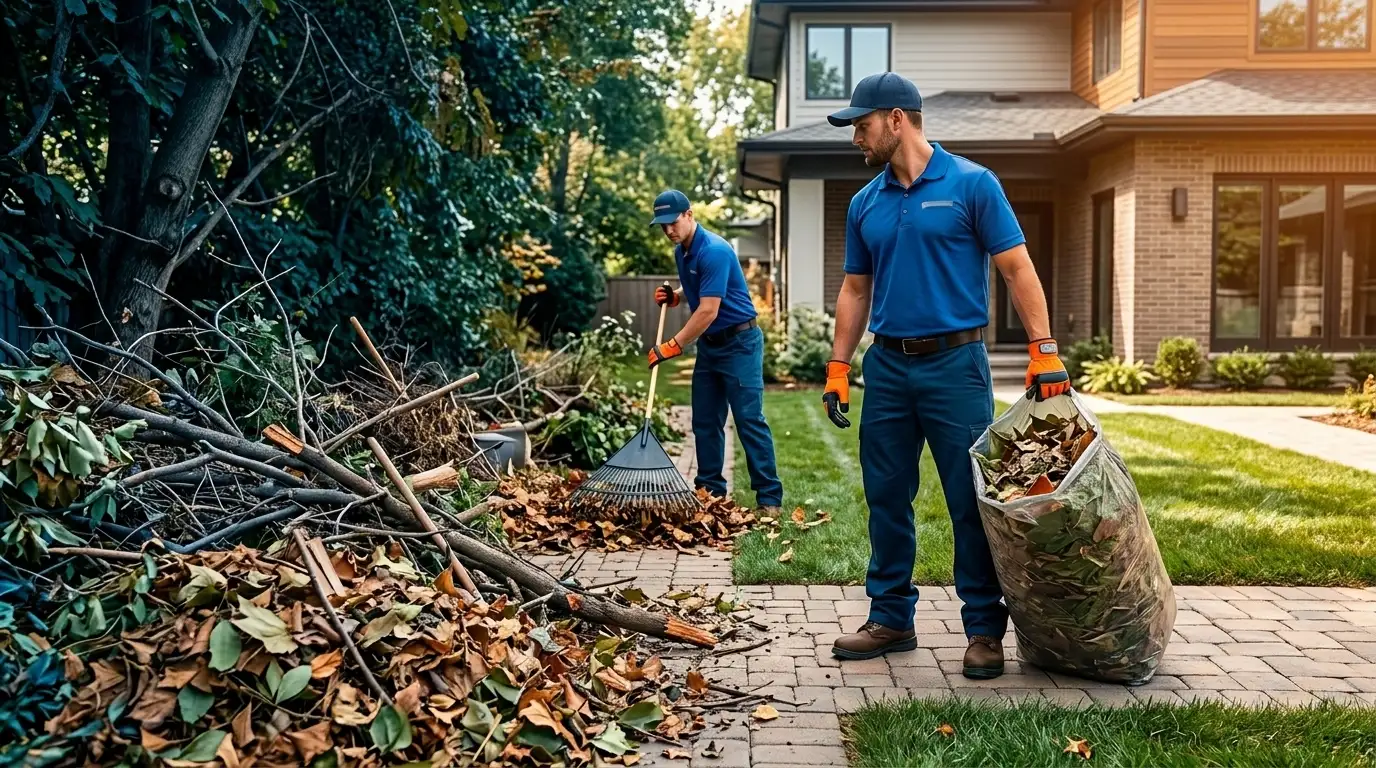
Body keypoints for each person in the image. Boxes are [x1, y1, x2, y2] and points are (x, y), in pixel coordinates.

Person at [820, 73, 1071, 678]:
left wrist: (1044, 348)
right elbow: (856, 289)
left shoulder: (972, 184)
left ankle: (983, 629)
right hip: (887, 367)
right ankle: (890, 618)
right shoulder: (865, 203)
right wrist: (837, 365)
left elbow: (1016, 267)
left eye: (862, 123)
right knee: (885, 494)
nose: (856, 136)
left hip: (955, 366)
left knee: (968, 498)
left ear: (897, 119)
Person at [645, 189, 784, 515]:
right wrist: (676, 296)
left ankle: (769, 499)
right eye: (662, 226)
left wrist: (673, 345)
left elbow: (707, 310)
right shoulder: (684, 252)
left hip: (740, 344)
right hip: (711, 346)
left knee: (749, 420)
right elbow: (698, 287)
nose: (668, 231)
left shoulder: (714, 251)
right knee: (705, 420)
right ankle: (710, 491)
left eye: (673, 222)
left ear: (690, 215)